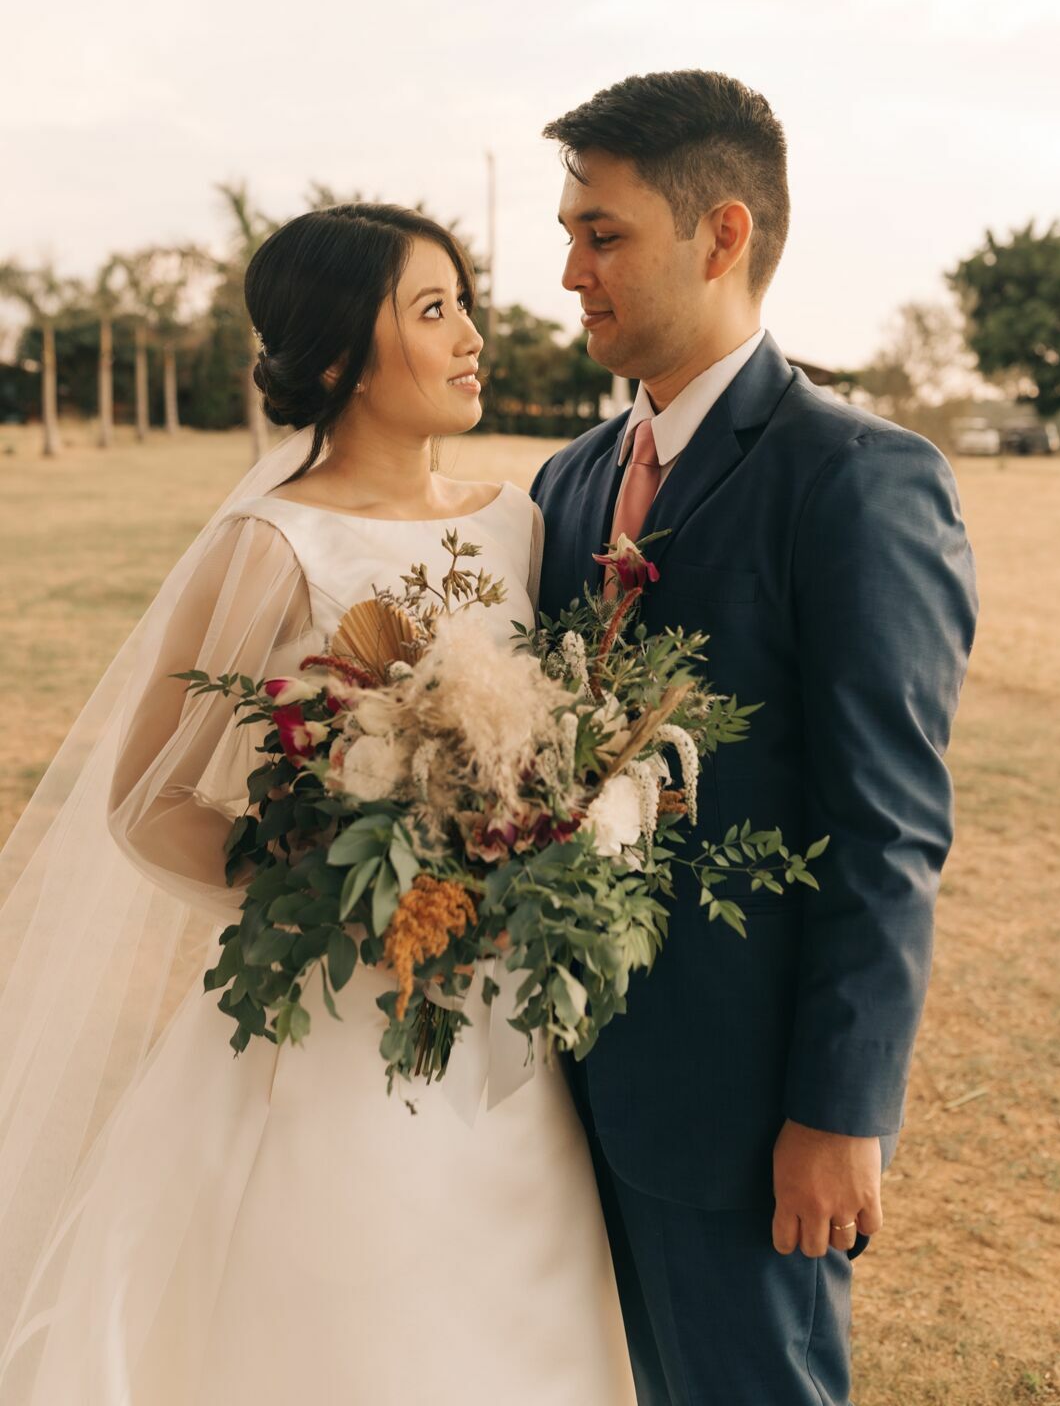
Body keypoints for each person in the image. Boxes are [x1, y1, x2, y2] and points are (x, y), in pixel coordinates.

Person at [0, 204, 636, 1405]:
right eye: (432, 308)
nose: (471, 335)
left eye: (464, 302)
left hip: (506, 1018)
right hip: (342, 1008)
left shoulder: (519, 519)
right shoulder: (271, 541)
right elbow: (146, 797)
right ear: (341, 356)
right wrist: (345, 895)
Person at [531, 70, 979, 1406]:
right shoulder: (565, 481)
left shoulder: (852, 478)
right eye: (567, 232)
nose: (568, 272)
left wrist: (838, 1111)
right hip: (551, 1095)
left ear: (720, 235)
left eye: (599, 233)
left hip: (740, 1117)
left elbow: (884, 826)